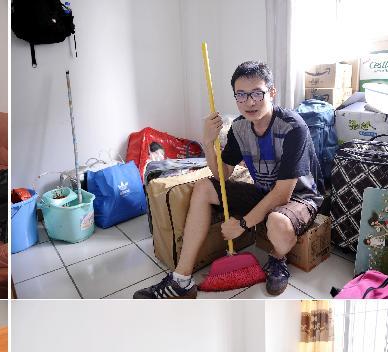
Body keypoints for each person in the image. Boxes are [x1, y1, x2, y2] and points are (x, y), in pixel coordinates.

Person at [134, 61, 324, 299]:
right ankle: (181, 279)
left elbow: (282, 195)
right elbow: (221, 175)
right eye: (241, 95)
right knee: (204, 188)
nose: (250, 102)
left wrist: (242, 224)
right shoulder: (239, 128)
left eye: (257, 93)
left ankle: (276, 259)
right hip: (263, 192)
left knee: (277, 222)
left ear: (272, 92)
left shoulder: (293, 127)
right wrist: (208, 142)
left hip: (298, 197)